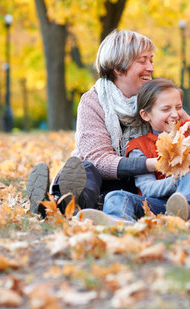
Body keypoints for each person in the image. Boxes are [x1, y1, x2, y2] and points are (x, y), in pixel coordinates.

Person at [26, 29, 159, 224]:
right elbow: (98, 159)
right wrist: (149, 163)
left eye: (151, 60)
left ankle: (54, 207)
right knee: (86, 169)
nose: (150, 67)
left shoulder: (157, 99)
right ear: (118, 67)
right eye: (142, 60)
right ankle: (67, 203)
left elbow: (183, 130)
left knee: (143, 185)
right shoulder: (93, 101)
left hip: (137, 183)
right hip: (97, 179)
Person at [101, 78, 190, 221]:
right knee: (115, 196)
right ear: (145, 115)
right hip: (159, 206)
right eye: (166, 109)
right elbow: (147, 189)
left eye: (178, 107)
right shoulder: (139, 146)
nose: (175, 114)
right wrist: (174, 182)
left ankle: (180, 214)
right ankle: (119, 223)